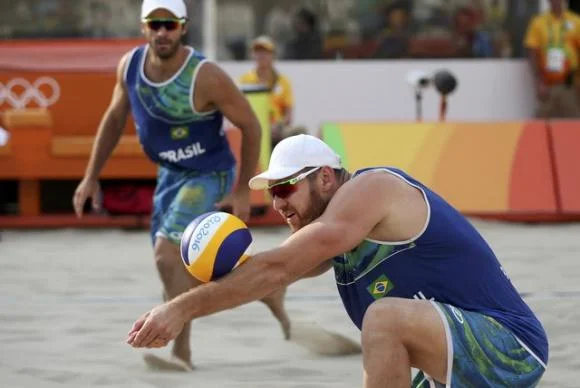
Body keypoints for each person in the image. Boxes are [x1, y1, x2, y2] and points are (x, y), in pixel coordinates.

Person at [127, 134, 548, 387]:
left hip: (509, 346)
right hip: (455, 360)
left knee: (382, 320)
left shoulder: (371, 189)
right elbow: (270, 274)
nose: (277, 203)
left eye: (286, 189)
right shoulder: (337, 237)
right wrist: (225, 271)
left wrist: (179, 308)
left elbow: (279, 268)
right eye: (271, 194)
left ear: (325, 176)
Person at [73, 0, 289, 371]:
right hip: (170, 175)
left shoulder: (205, 76)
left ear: (183, 28)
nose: (161, 32)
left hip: (208, 173)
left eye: (169, 25)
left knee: (166, 255)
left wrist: (241, 190)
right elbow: (113, 118)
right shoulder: (130, 67)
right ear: (144, 27)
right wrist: (91, 176)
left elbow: (251, 125)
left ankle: (181, 352)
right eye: (154, 24)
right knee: (179, 267)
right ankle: (264, 289)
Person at [239, 35, 304, 147]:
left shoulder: (283, 81)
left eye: (265, 52)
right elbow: (239, 110)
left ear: (273, 55)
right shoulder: (244, 80)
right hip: (253, 127)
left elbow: (288, 115)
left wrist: (277, 126)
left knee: (300, 131)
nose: (261, 55)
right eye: (257, 52)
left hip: (277, 129)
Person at [524, 0, 580, 118]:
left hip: (570, 86)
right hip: (547, 86)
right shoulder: (539, 22)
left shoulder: (575, 21)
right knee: (540, 129)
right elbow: (532, 52)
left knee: (572, 129)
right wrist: (538, 82)